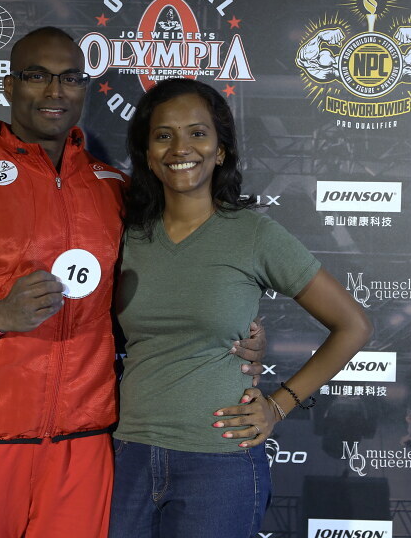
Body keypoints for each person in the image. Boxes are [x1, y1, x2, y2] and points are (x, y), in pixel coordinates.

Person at [0, 28, 268, 537]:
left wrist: (234, 334)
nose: (54, 91)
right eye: (36, 76)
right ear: (9, 85)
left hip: (85, 449)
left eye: (70, 78)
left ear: (84, 88)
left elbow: (168, 288)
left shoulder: (118, 191)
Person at [109, 78, 372, 537]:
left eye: (197, 133)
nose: (180, 148)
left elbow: (354, 325)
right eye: (164, 135)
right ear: (148, 154)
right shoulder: (123, 236)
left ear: (221, 150)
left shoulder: (253, 234)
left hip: (219, 464)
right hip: (127, 456)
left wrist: (279, 405)